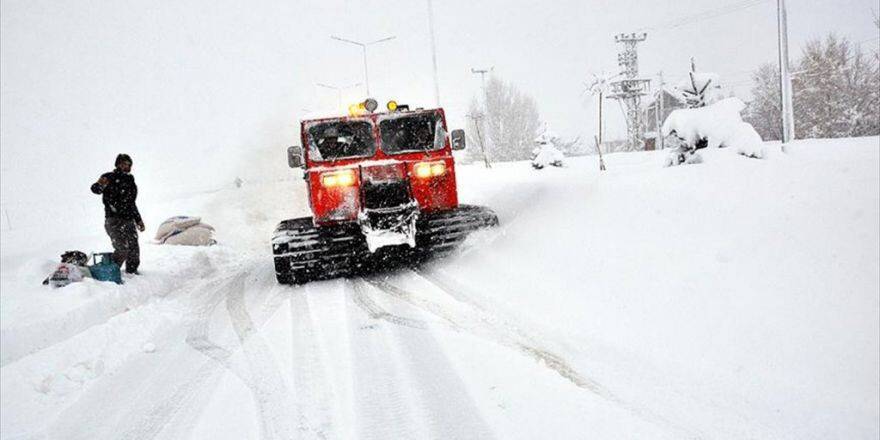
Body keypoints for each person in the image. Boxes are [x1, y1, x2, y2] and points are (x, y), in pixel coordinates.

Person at [91, 154, 145, 275]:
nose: (127, 166)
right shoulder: (108, 177)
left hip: (129, 220)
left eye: (129, 164)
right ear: (118, 164)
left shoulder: (130, 180)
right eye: (124, 163)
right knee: (122, 248)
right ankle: (110, 272)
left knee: (134, 249)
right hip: (113, 220)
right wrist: (99, 185)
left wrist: (138, 220)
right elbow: (95, 189)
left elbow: (131, 203)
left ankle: (132, 272)